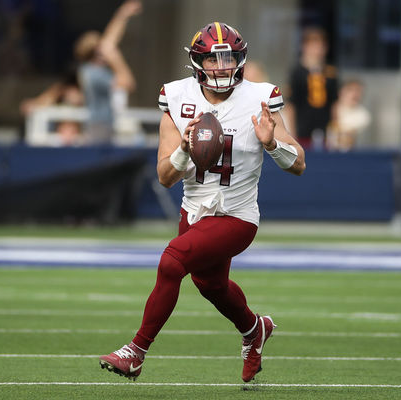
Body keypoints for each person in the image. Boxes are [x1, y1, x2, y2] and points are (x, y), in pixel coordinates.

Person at [98, 22, 305, 382]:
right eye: (213, 60)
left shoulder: (260, 97)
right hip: (194, 211)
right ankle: (254, 329)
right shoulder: (176, 96)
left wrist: (271, 144)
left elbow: (298, 164)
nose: (222, 67)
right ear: (198, 62)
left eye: (228, 59)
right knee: (211, 286)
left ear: (240, 60)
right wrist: (183, 149)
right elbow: (165, 176)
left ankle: (136, 351)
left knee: (172, 261)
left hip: (236, 215)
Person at [75, 0, 140, 144]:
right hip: (100, 126)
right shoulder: (93, 74)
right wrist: (116, 58)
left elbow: (109, 40)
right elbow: (129, 84)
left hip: (101, 124)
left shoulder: (88, 69)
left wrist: (122, 15)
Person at [286, 27, 338, 149]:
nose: (317, 50)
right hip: (303, 126)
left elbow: (335, 102)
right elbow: (291, 104)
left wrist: (335, 128)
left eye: (321, 45)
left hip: (325, 125)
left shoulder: (330, 72)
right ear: (305, 47)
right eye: (313, 45)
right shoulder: (297, 72)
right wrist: (292, 132)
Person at [326, 79, 371, 152]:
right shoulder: (328, 110)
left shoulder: (363, 115)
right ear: (341, 92)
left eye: (358, 91)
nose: (355, 94)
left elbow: (348, 134)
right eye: (350, 90)